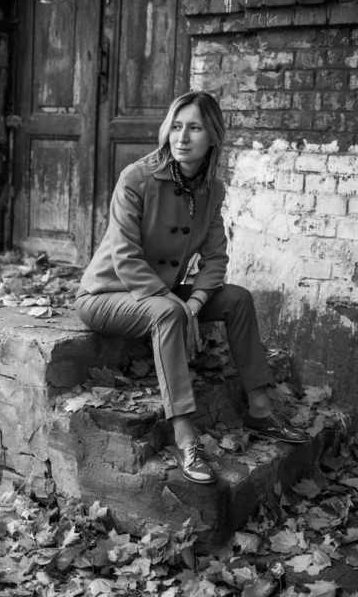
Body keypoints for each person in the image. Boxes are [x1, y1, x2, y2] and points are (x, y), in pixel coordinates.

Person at [75, 90, 307, 485]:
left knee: (237, 299)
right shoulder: (137, 178)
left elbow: (215, 257)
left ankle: (261, 408)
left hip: (161, 296)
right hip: (107, 295)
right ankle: (185, 433)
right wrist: (176, 306)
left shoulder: (211, 190)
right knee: (167, 311)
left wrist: (195, 303)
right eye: (176, 126)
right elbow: (124, 255)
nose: (181, 137)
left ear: (213, 136)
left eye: (194, 128)